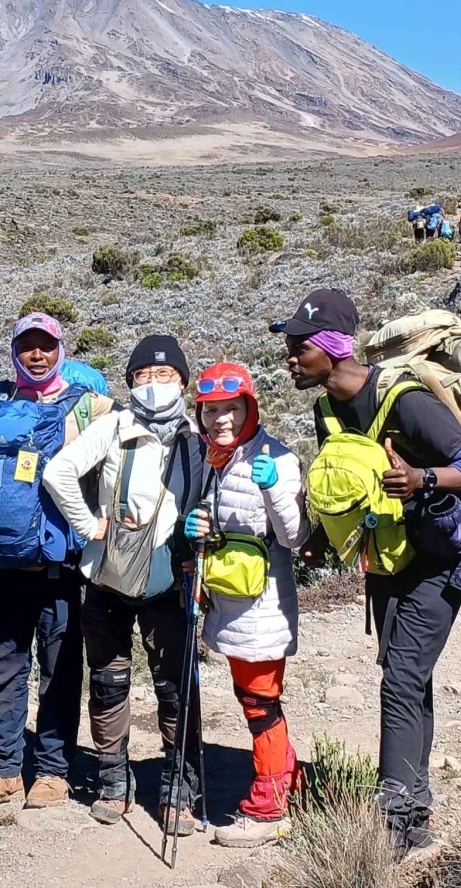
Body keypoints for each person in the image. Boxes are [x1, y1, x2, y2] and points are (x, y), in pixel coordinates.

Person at [274, 290, 461, 855]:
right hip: (385, 558)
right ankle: (416, 816)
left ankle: (393, 817)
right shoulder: (326, 409)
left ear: (330, 346)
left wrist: (423, 480)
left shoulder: (407, 400)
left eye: (299, 348)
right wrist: (321, 537)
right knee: (408, 678)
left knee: (399, 679)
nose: (291, 359)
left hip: (436, 559)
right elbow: (355, 484)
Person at [42, 336, 204, 834]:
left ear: (183, 380)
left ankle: (180, 786)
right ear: (131, 381)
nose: (155, 385)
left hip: (172, 579)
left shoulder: (197, 434)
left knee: (175, 685)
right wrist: (89, 523)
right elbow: (58, 471)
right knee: (109, 682)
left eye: (165, 375)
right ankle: (115, 780)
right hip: (108, 576)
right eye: (143, 376)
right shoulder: (112, 426)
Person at [0, 313, 115, 813]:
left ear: (61, 349)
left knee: (60, 671)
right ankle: (1, 770)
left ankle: (52, 771)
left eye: (46, 345)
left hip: (59, 568)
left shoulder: (90, 405)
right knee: (1, 670)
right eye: (27, 346)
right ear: (14, 351)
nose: (37, 355)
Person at [181, 363, 306, 847]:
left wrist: (275, 485)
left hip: (263, 604)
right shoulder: (218, 457)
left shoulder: (277, 457)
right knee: (253, 698)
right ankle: (285, 777)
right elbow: (226, 518)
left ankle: (269, 807)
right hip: (230, 600)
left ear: (250, 407)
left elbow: (294, 535)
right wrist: (201, 526)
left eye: (231, 409)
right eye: (211, 410)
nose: (221, 420)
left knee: (259, 703)